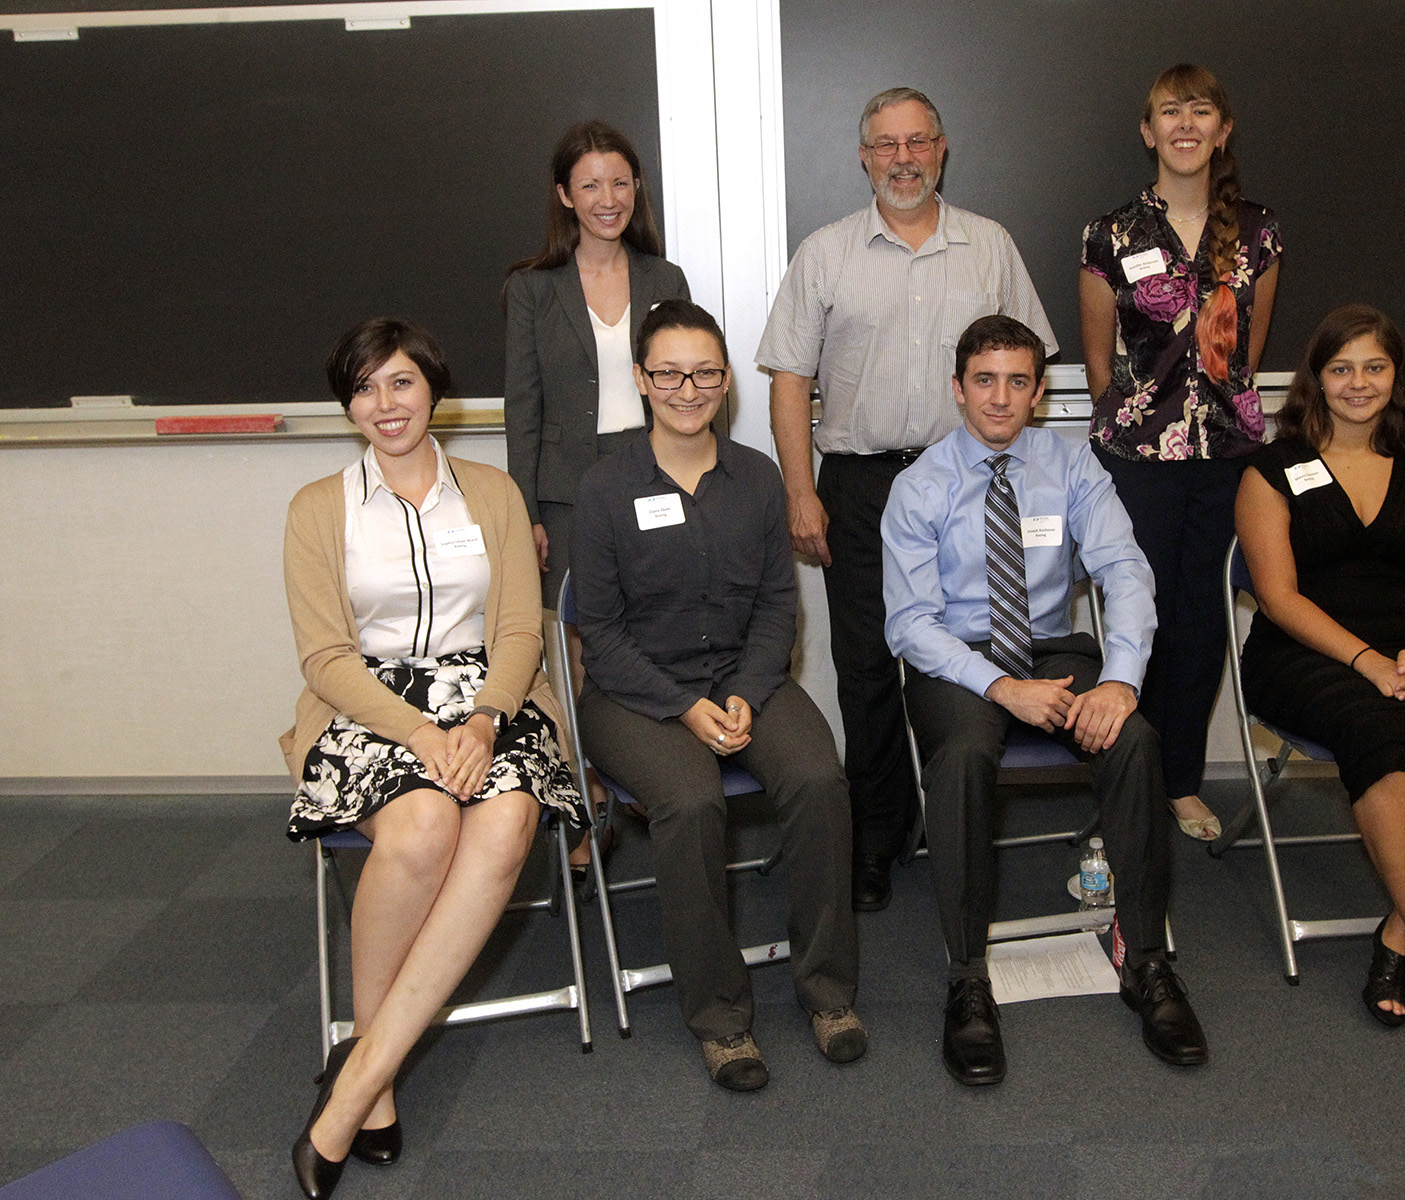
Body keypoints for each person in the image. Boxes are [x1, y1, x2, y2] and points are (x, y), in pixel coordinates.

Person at [281, 318, 586, 1198]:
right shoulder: (316, 508)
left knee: (504, 824)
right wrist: (418, 733)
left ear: (434, 391)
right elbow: (325, 657)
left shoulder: (490, 492)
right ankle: (372, 1078)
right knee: (419, 830)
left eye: (401, 383)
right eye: (365, 387)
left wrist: (487, 721)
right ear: (349, 403)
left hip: (490, 698)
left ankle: (356, 1081)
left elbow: (521, 628)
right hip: (368, 704)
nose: (385, 404)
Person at [883, 315, 1208, 1086]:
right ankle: (967, 977)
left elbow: (1124, 570)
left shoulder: (1073, 468)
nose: (1000, 398)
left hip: (1053, 649)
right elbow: (909, 623)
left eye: (1018, 381)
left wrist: (1122, 680)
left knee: (1134, 741)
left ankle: (1147, 962)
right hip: (958, 660)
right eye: (984, 380)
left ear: (1038, 392)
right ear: (957, 387)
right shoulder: (918, 485)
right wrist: (1000, 688)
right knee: (963, 755)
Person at [757, 87, 1058, 912]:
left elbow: (1026, 368)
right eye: (885, 145)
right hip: (857, 484)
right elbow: (790, 382)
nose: (902, 158)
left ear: (941, 148)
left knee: (970, 645)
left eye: (916, 141)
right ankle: (877, 835)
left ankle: (955, 815)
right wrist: (798, 492)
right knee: (865, 666)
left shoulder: (989, 246)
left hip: (968, 480)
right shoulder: (825, 253)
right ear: (863, 157)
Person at [571, 299, 862, 1092]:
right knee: (692, 802)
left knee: (817, 777)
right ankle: (721, 1018)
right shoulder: (604, 488)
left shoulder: (758, 478)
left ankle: (827, 992)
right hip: (635, 695)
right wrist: (681, 706)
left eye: (703, 372)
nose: (687, 388)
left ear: (726, 379)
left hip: (745, 678)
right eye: (668, 372)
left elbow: (777, 606)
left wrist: (741, 691)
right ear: (640, 379)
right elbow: (598, 629)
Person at [1234, 304, 1405, 1059]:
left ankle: (1399, 933)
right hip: (1302, 656)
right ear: (1316, 380)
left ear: (1397, 377)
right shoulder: (1269, 468)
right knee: (1381, 736)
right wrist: (1367, 663)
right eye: (1341, 368)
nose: (1358, 384)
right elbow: (1279, 598)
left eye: (1374, 367)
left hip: (1402, 649)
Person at [1079, 63, 1282, 841]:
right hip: (1136, 461)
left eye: (1201, 111)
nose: (1185, 125)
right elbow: (1102, 365)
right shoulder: (1110, 232)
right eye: (1169, 112)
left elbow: (1246, 359)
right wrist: (1143, 420)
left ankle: (1180, 780)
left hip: (1226, 458)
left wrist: (1208, 420)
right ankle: (1127, 780)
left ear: (1222, 131)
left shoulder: (1259, 231)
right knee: (1138, 617)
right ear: (1147, 131)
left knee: (1199, 621)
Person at [504, 119, 691, 607]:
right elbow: (522, 410)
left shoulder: (665, 279)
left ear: (636, 188)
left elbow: (696, 388)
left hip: (656, 475)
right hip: (565, 491)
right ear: (565, 195)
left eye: (620, 183)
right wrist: (527, 513)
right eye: (590, 185)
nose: (608, 199)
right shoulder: (534, 288)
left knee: (664, 617)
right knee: (580, 630)